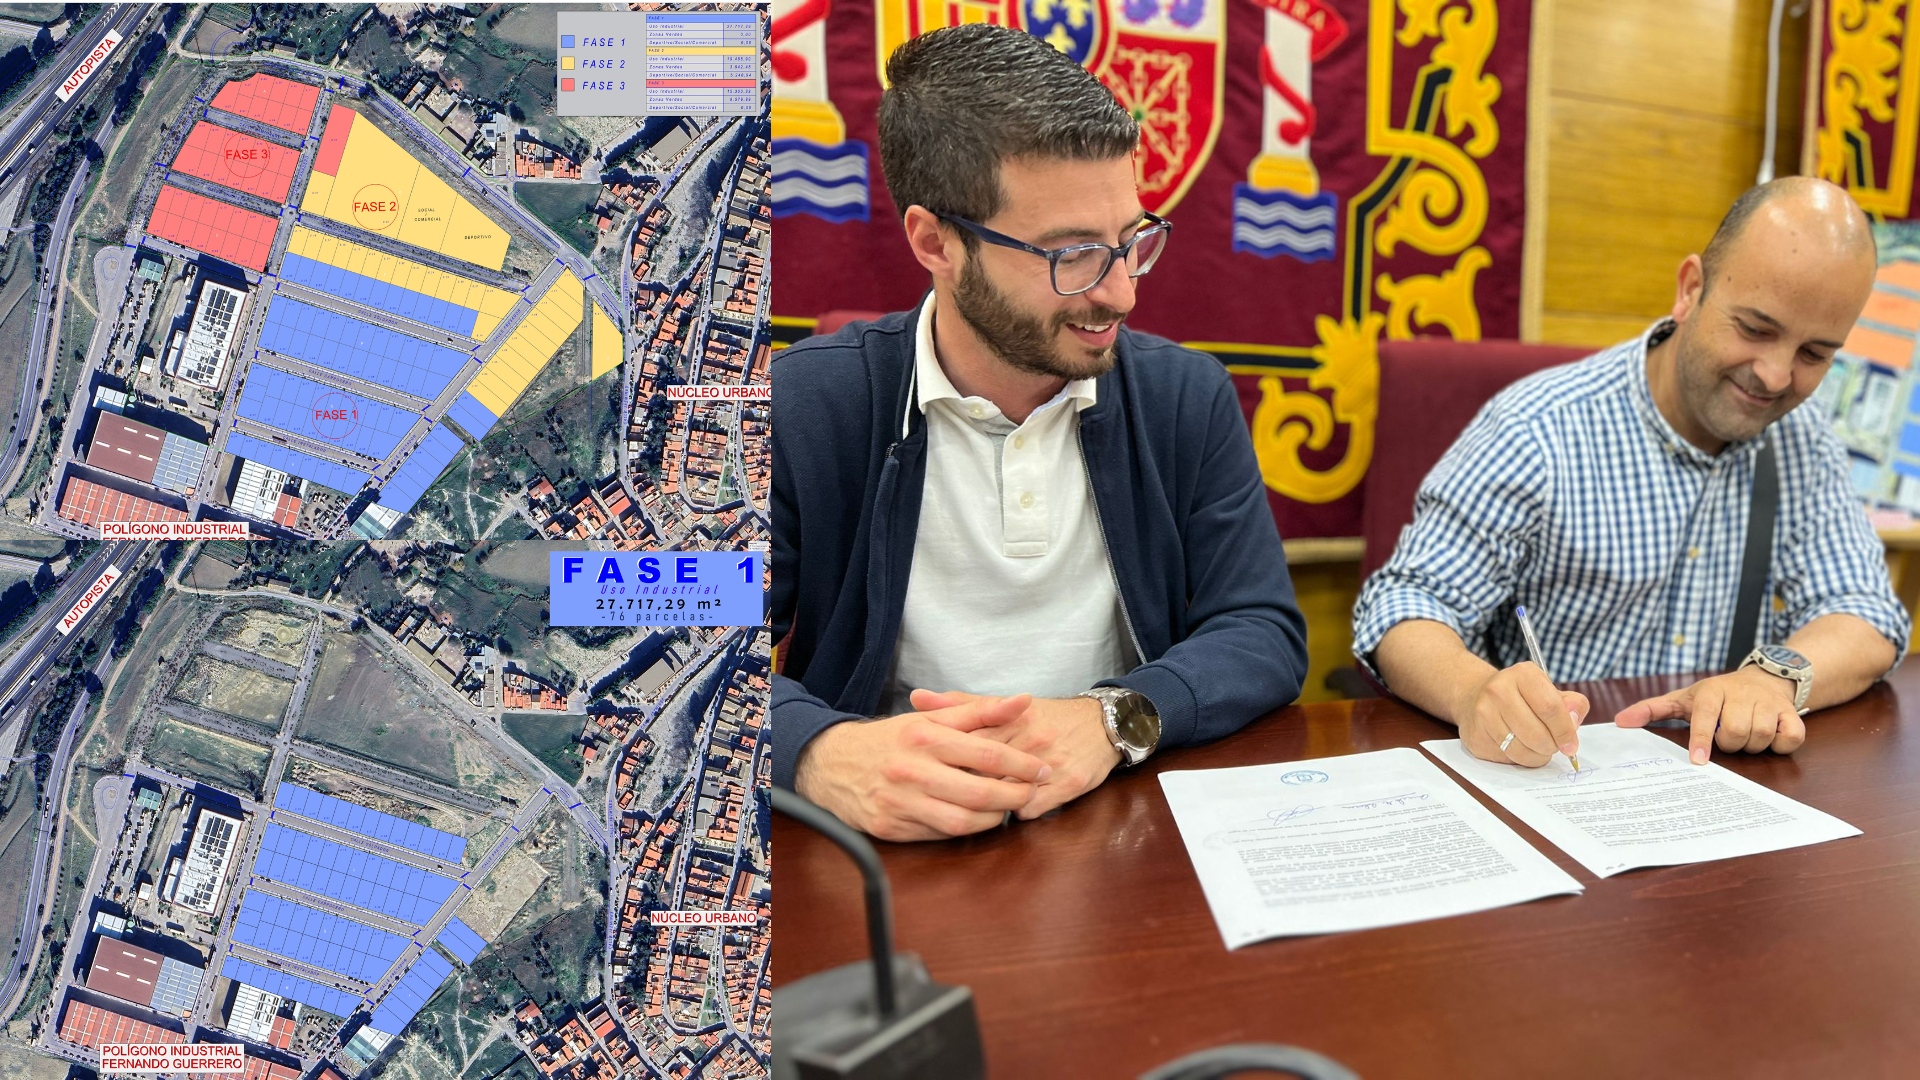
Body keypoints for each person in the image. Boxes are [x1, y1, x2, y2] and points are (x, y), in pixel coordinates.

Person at [770, 24, 1308, 841]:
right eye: (1073, 254)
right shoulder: (802, 404)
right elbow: (680, 649)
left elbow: (1262, 632)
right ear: (935, 242)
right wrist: (819, 751)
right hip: (882, 844)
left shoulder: (1185, 395)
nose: (1121, 293)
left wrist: (1114, 718)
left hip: (1122, 828)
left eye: (1130, 241)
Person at [1353, 177, 1911, 768]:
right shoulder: (1539, 428)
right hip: (1553, 770)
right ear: (1690, 290)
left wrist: (1772, 680)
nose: (1775, 376)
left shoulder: (1803, 437)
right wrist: (1473, 692)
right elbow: (1404, 605)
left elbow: (1865, 610)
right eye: (1755, 329)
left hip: (1713, 777)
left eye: (1814, 354)